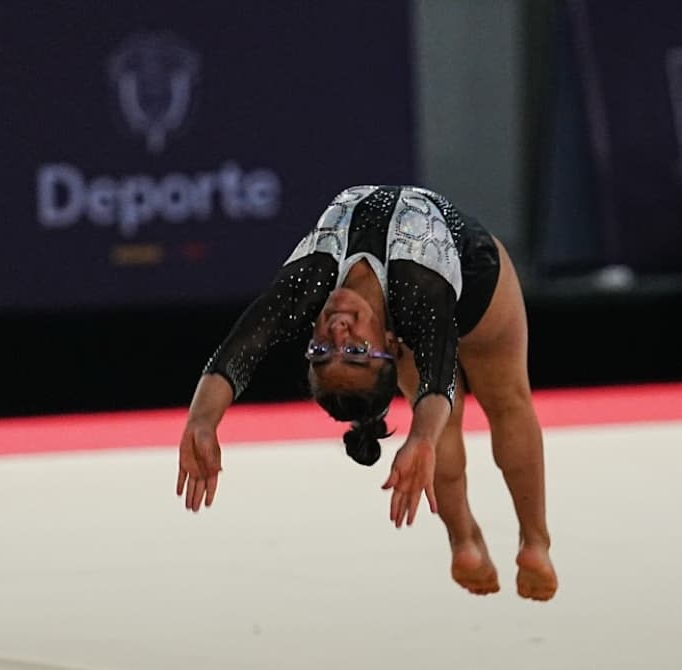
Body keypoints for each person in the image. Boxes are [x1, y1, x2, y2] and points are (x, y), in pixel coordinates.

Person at [175, 184, 558, 601]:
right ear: (391, 347)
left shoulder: (310, 282)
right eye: (356, 352)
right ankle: (533, 544)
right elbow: (439, 379)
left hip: (433, 296)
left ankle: (465, 542)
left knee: (442, 426)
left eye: (321, 352)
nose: (337, 332)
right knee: (507, 403)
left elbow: (242, 347)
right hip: (474, 273)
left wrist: (202, 420)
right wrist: (421, 437)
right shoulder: (417, 289)